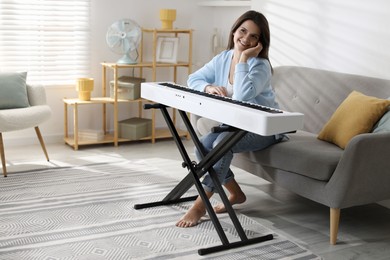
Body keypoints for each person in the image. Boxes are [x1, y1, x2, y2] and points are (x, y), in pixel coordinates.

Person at [176, 10, 283, 228]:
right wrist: (208, 86)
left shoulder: (260, 66)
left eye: (254, 36)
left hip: (265, 128)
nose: (246, 39)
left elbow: (243, 96)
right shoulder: (223, 58)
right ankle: (236, 194)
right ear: (234, 31)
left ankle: (200, 205)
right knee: (202, 146)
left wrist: (244, 59)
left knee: (220, 145)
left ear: (260, 43)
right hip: (236, 124)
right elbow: (193, 78)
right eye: (243, 31)